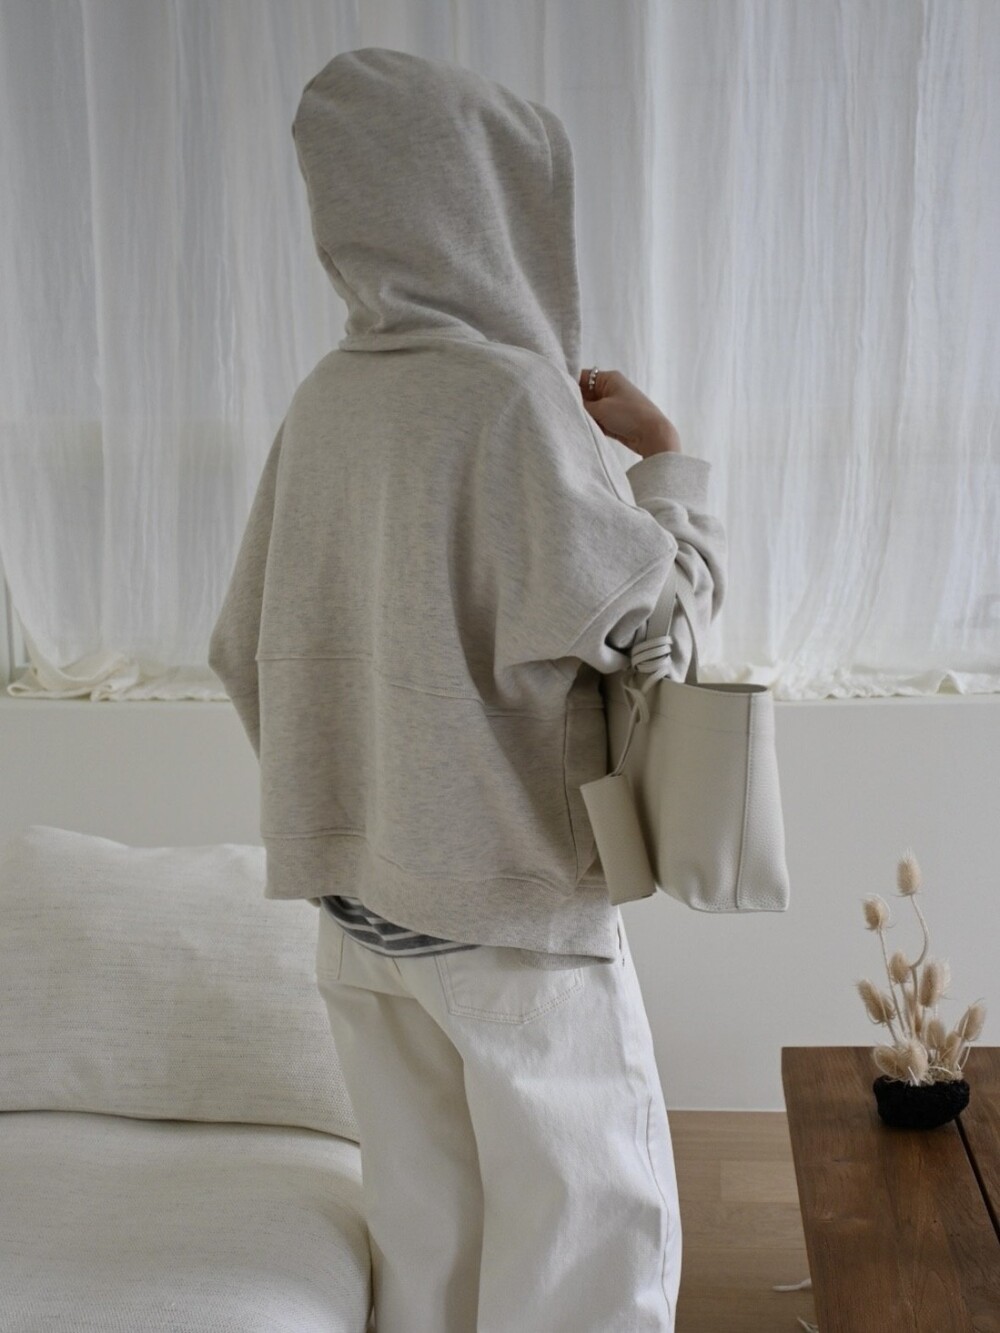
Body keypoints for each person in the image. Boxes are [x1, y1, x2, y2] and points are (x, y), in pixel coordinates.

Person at [208, 46, 727, 1333]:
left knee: (425, 1241)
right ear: (491, 200)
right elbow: (656, 624)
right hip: (510, 916)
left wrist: (367, 800)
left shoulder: (325, 401)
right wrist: (666, 460)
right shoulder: (508, 400)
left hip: (359, 917)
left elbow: (240, 644)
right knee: (585, 1251)